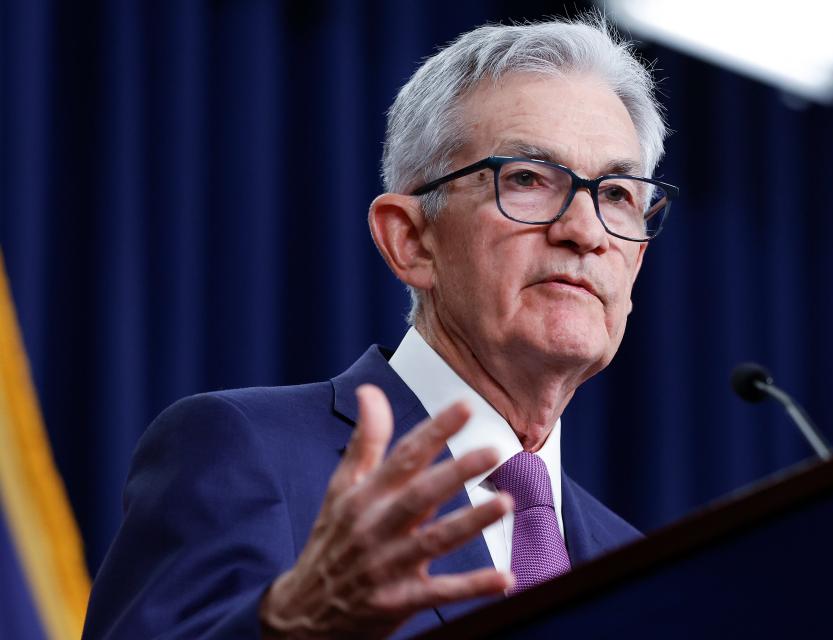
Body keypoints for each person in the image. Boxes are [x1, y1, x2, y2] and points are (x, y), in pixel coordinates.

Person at [82, 14, 674, 639]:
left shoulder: (638, 564)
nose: (583, 232)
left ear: (636, 257)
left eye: (616, 195)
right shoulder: (243, 450)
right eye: (526, 179)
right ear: (411, 239)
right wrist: (290, 626)